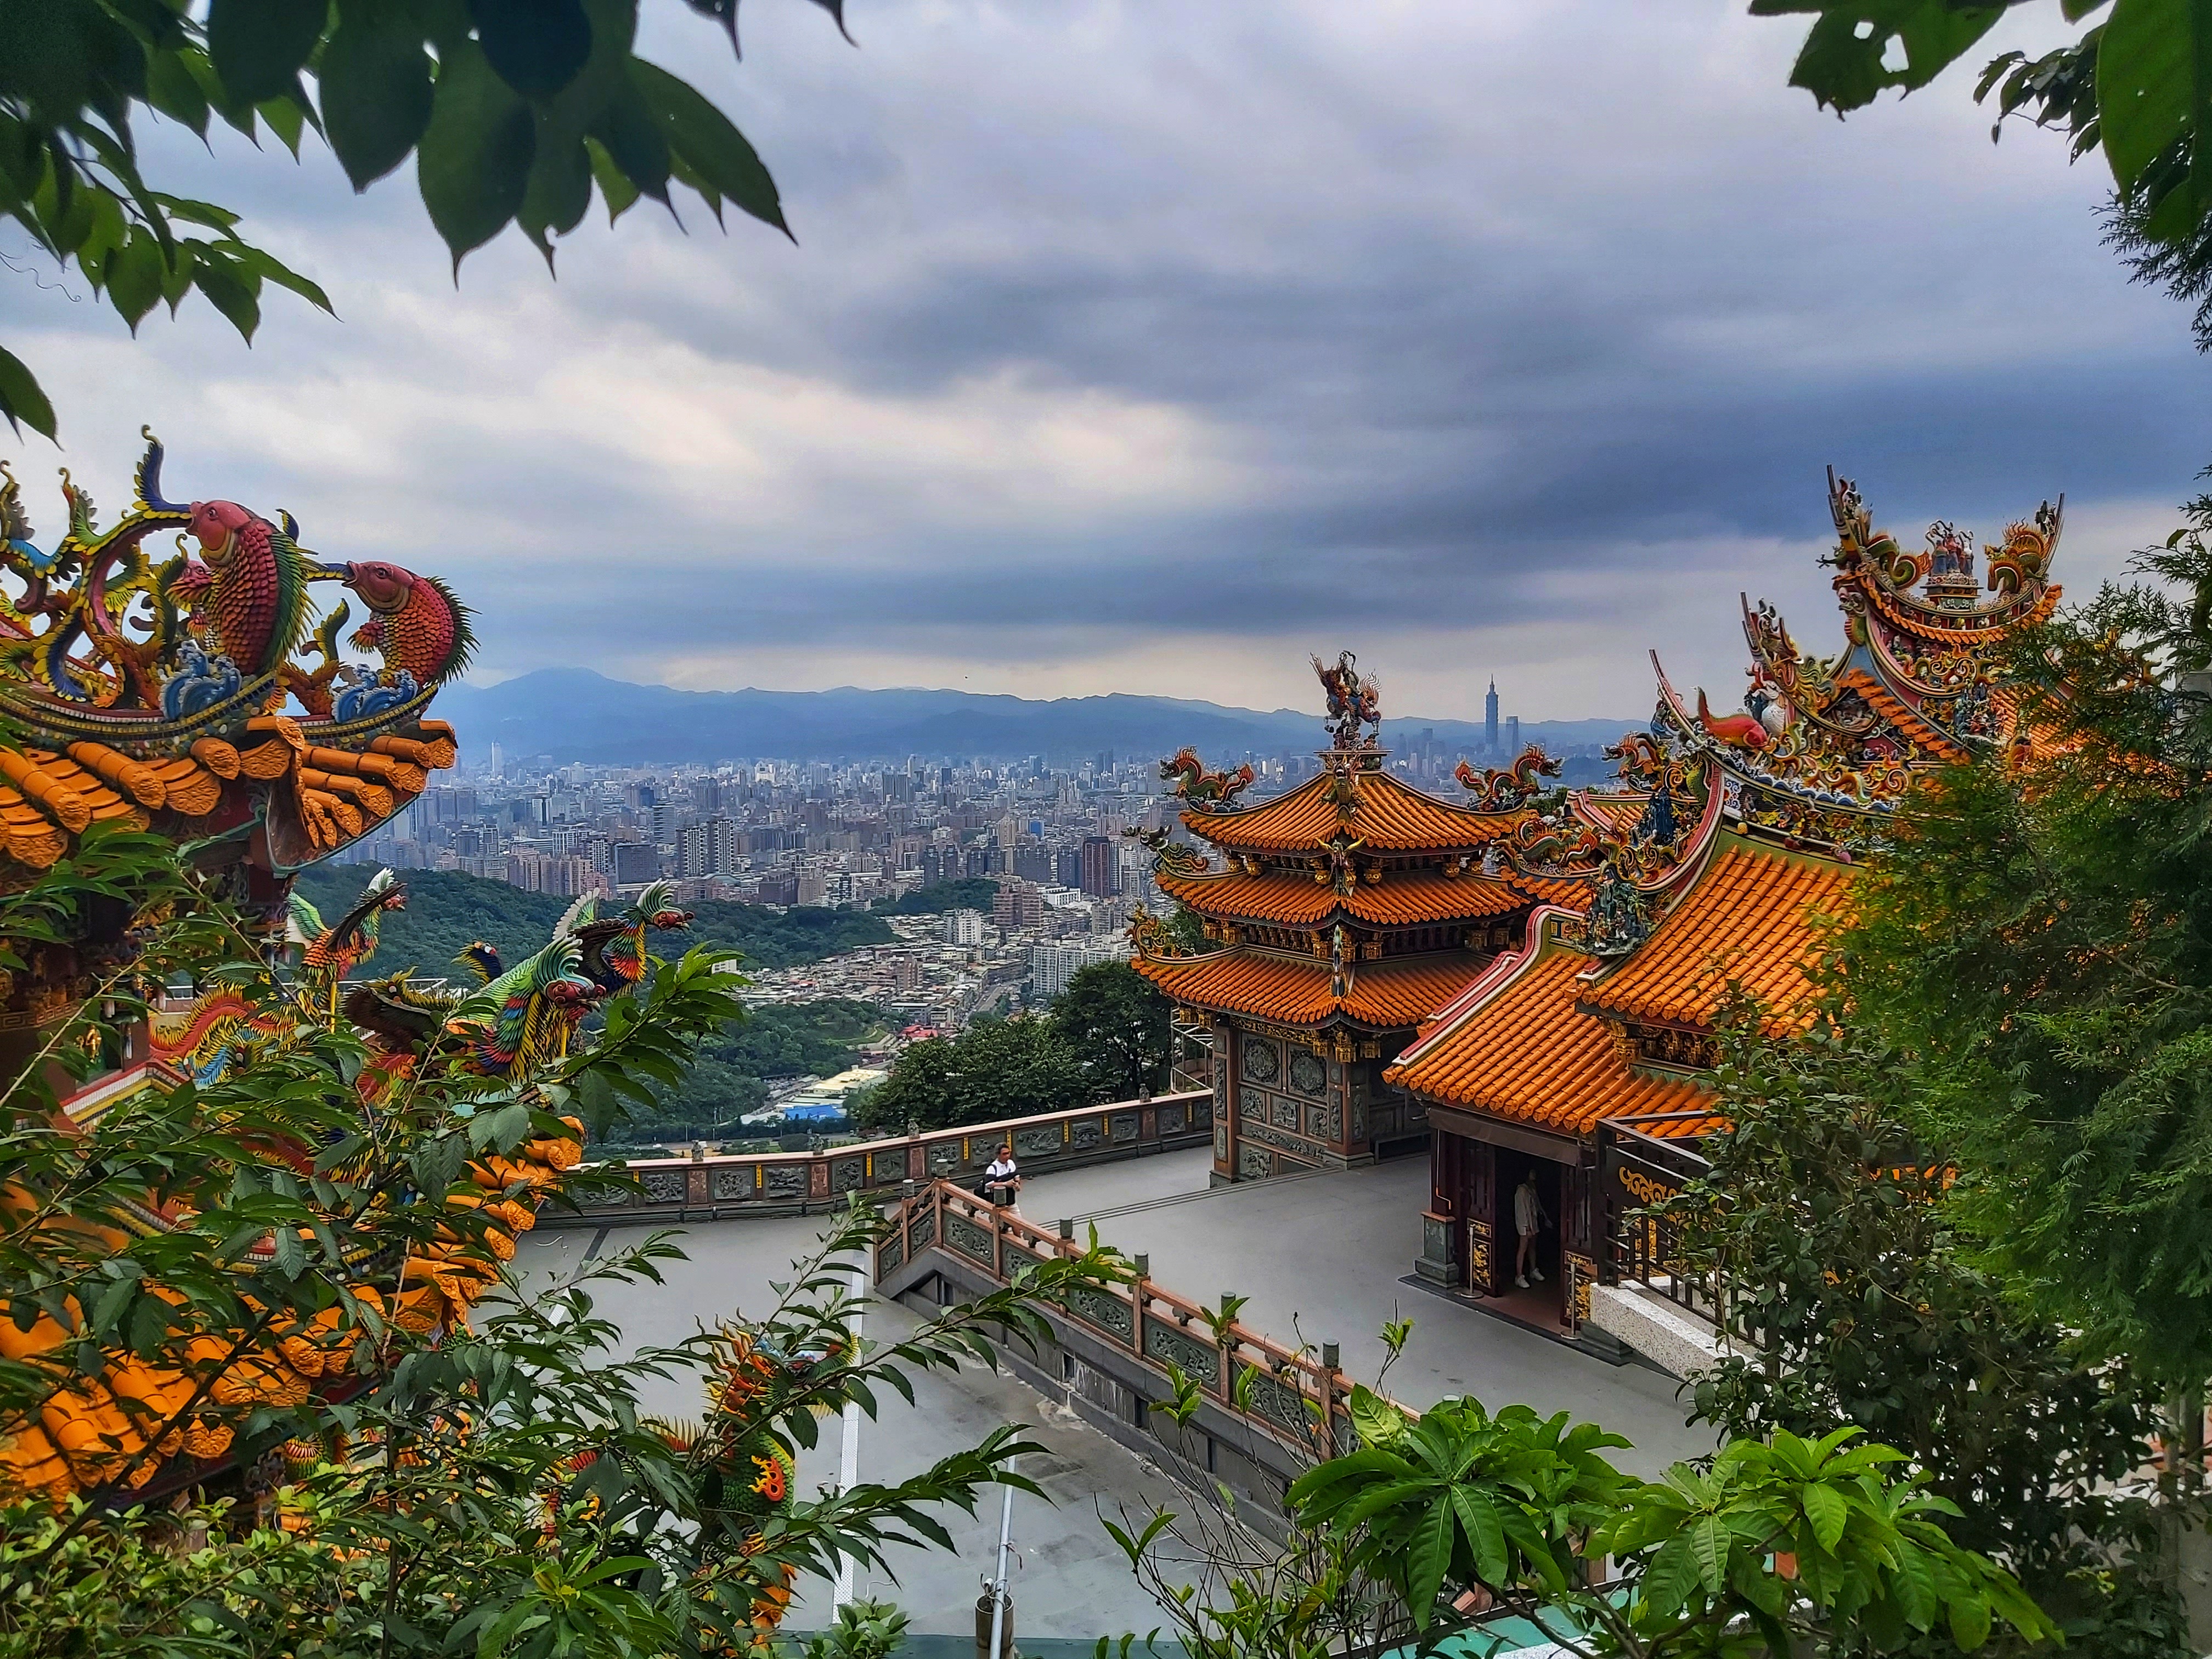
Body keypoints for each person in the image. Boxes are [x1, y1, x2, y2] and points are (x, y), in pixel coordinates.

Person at [1512, 1171, 1548, 1289]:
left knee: (1533, 1246)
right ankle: (1519, 1276)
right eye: (1532, 1172)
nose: (1534, 1174)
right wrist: (1526, 1227)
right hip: (1525, 1224)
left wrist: (1545, 1218)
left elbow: (1537, 1205)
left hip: (1534, 1221)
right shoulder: (1521, 1190)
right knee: (1523, 1248)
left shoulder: (1532, 1188)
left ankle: (1533, 1270)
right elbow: (1522, 1210)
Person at [982, 1144, 1022, 1212]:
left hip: (1011, 1202)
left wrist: (1017, 1184)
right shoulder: (992, 1168)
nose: (1007, 1156)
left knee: (1019, 1221)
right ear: (998, 1155)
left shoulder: (1011, 1163)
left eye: (1008, 1153)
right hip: (998, 1205)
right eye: (1004, 1154)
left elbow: (1017, 1176)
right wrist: (1005, 1184)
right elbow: (989, 1185)